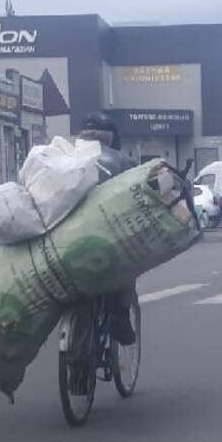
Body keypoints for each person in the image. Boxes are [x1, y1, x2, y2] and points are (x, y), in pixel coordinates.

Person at [76, 110, 138, 345]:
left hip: (65, 235)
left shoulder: (63, 158)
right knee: (128, 264)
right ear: (111, 137)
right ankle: (120, 318)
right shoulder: (122, 161)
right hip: (106, 236)